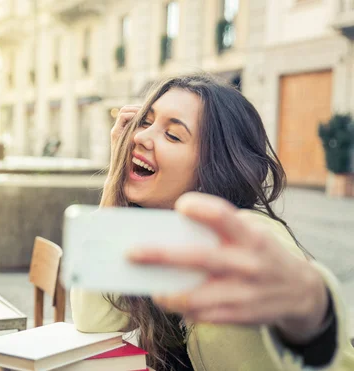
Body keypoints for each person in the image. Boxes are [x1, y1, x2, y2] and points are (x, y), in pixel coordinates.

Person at [71, 74, 354, 371]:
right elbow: (95, 321)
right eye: (145, 122)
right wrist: (116, 180)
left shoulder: (245, 233)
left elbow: (322, 340)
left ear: (213, 163)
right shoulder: (162, 233)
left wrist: (309, 305)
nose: (139, 137)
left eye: (173, 135)